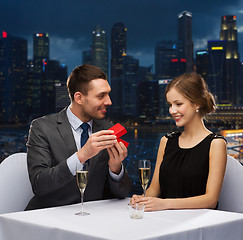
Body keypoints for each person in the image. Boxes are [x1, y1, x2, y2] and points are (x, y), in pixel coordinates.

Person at [25, 64, 131, 210]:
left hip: (92, 218)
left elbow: (122, 193)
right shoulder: (41, 128)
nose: (109, 102)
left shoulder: (107, 129)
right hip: (49, 217)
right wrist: (81, 156)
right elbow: (39, 185)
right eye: (101, 96)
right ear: (79, 98)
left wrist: (115, 169)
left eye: (108, 94)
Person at [131, 72, 227, 211]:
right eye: (170, 105)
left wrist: (165, 204)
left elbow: (210, 200)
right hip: (164, 219)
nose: (172, 110)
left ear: (197, 104)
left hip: (199, 225)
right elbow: (154, 190)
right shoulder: (166, 141)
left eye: (178, 104)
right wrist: (142, 198)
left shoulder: (216, 144)